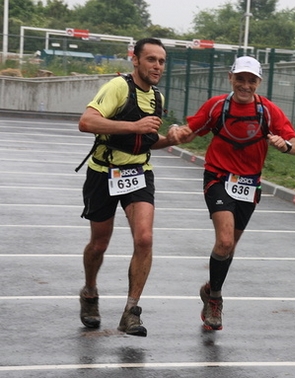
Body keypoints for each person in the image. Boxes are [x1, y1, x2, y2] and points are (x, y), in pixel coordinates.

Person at [169, 56, 295, 330]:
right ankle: (216, 300)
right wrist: (177, 132)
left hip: (249, 183)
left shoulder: (268, 111)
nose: (245, 85)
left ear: (259, 82)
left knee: (228, 249)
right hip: (218, 176)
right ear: (230, 77)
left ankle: (209, 289)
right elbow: (192, 131)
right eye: (240, 78)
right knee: (226, 241)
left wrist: (285, 145)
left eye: (251, 80)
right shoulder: (218, 106)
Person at [77, 37, 174, 337]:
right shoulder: (118, 87)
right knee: (99, 244)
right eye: (151, 59)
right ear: (135, 60)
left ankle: (131, 311)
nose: (157, 66)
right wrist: (133, 125)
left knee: (144, 239)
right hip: (103, 172)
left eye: (161, 61)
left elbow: (145, 140)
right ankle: (90, 291)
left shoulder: (157, 98)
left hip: (138, 172)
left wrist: (171, 139)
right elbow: (87, 121)